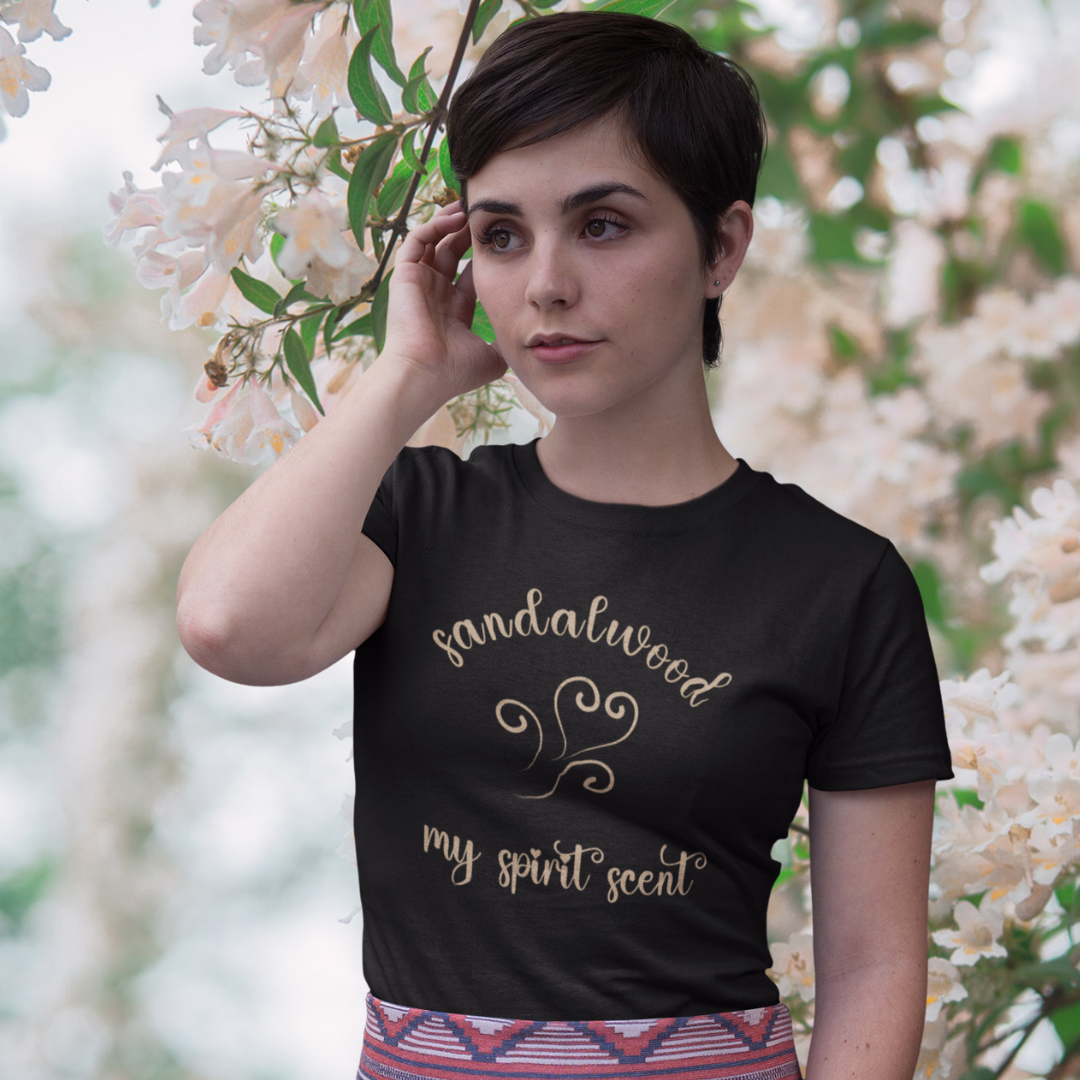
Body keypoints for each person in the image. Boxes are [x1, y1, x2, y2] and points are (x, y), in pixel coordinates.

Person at [176, 12, 953, 1080]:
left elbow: (873, 967)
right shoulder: (420, 516)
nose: (543, 283)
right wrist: (408, 376)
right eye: (501, 234)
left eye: (602, 225)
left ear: (723, 246)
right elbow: (229, 627)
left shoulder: (841, 583)